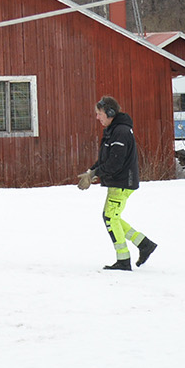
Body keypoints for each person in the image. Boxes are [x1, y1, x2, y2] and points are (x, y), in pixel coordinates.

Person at [79, 96, 156, 271]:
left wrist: (95, 174)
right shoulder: (113, 130)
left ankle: (123, 260)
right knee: (112, 217)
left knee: (110, 217)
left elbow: (115, 162)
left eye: (99, 113)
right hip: (118, 182)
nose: (97, 117)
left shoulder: (120, 132)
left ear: (110, 113)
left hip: (122, 182)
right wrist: (91, 172)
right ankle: (144, 244)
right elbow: (106, 159)